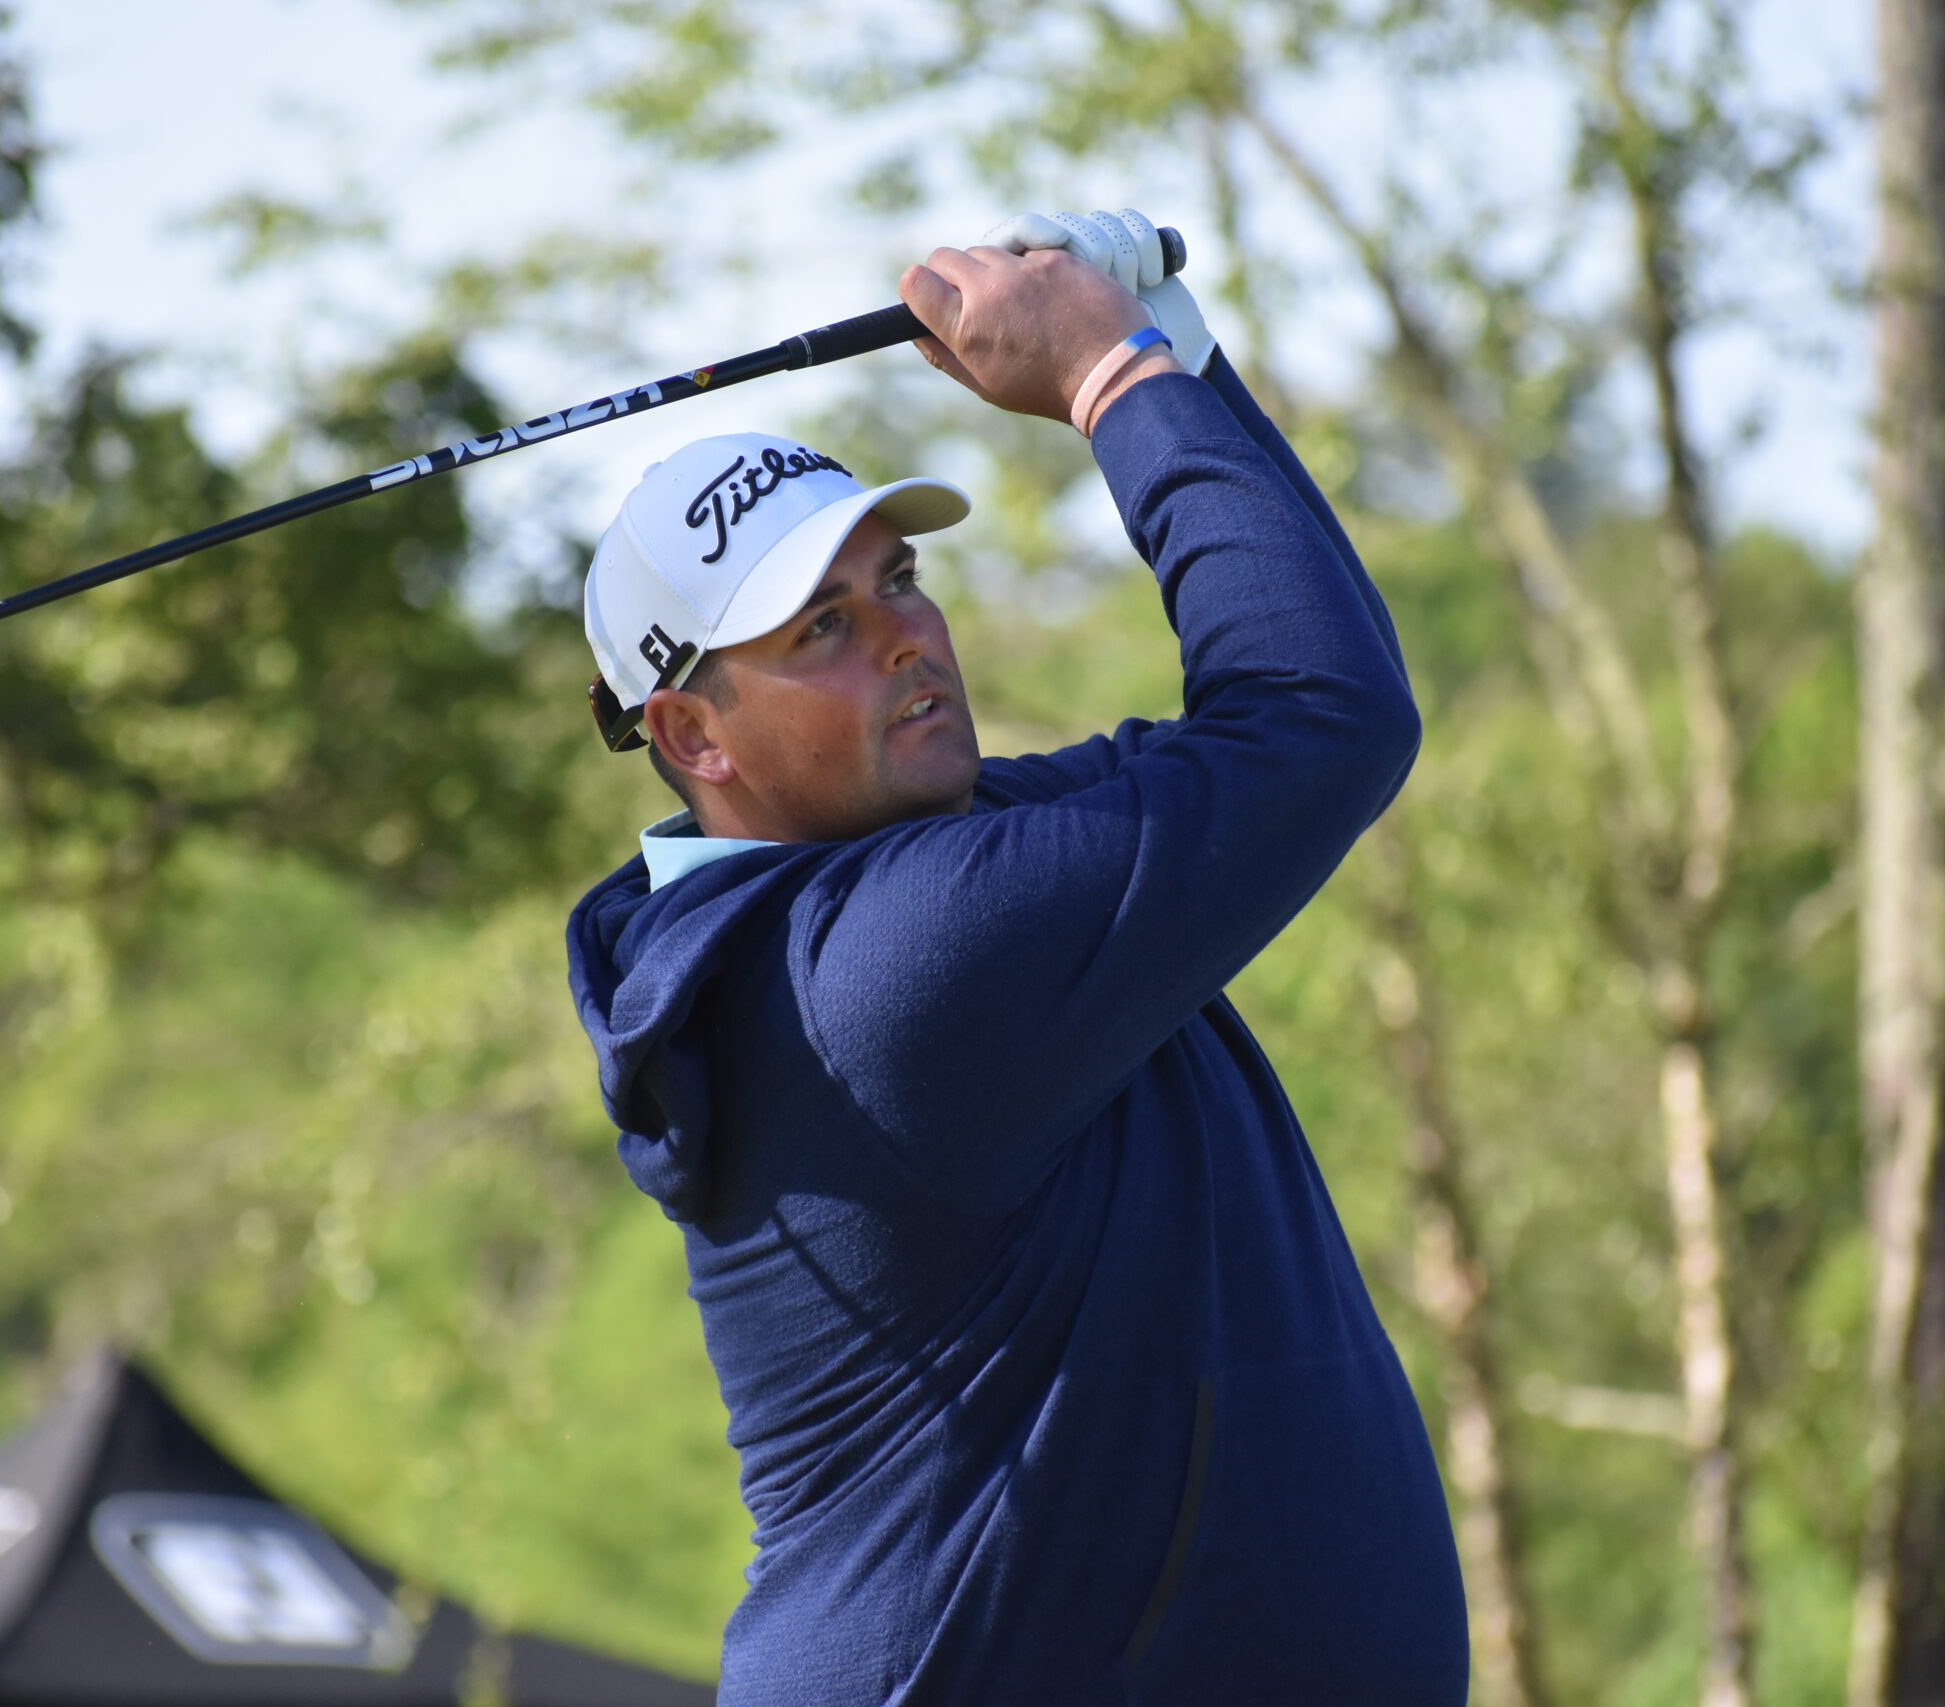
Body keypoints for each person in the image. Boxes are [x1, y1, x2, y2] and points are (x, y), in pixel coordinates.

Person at [565, 209, 1466, 1705]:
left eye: (901, 578)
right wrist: (1111, 374)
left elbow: (1299, 695)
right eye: (822, 627)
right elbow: (1319, 718)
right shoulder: (891, 971)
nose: (907, 637)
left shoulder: (922, 869)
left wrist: (1172, 353)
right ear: (692, 735)